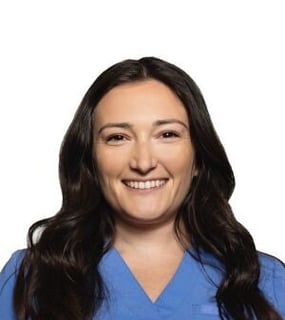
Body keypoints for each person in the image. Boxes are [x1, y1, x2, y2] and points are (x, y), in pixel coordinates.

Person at [0, 57, 284, 320]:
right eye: (118, 137)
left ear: (198, 156)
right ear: (90, 158)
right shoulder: (32, 277)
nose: (144, 162)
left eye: (167, 134)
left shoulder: (267, 281)